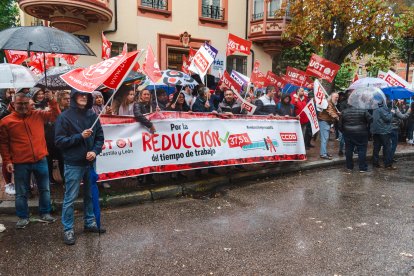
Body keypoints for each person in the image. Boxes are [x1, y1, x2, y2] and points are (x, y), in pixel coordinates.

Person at [0, 91, 60, 229]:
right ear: (13, 104)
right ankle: (23, 217)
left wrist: (52, 100)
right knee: (21, 192)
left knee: (44, 189)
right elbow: (3, 144)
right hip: (20, 163)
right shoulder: (5, 122)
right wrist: (7, 161)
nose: (23, 106)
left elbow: (56, 116)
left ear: (30, 103)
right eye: (19, 103)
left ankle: (45, 213)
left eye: (26, 103)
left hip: (40, 159)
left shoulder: (38, 115)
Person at [55, 90, 106, 245]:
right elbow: (59, 141)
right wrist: (80, 137)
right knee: (70, 197)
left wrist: (94, 151)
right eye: (80, 94)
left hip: (90, 163)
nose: (84, 97)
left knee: (90, 195)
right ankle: (68, 229)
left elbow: (100, 137)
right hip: (73, 164)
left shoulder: (93, 116)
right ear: (73, 97)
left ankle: (89, 222)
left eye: (86, 95)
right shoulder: (64, 117)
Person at [339, 104, 372, 172]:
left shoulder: (344, 112)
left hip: (348, 133)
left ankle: (349, 167)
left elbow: (340, 125)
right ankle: (362, 167)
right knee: (362, 150)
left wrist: (344, 131)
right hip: (361, 133)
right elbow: (371, 119)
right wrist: (366, 127)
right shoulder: (363, 111)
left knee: (348, 150)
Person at [370, 100, 395, 169]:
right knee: (387, 147)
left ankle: (375, 163)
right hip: (384, 131)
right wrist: (392, 113)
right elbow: (387, 118)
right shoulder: (382, 109)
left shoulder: (375, 109)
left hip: (375, 131)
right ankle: (388, 164)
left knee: (376, 147)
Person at [0, 89, 14, 195]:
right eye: (9, 92)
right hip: (3, 134)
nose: (11, 94)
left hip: (12, 133)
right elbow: (2, 117)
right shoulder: (2, 104)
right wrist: (9, 109)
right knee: (6, 159)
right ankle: (8, 184)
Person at [317, 92, 340, 160]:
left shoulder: (331, 103)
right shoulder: (328, 103)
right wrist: (337, 117)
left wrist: (338, 113)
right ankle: (323, 154)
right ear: (331, 97)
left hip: (326, 122)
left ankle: (324, 152)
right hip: (324, 122)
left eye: (337, 97)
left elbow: (332, 111)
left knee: (325, 139)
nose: (337, 99)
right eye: (336, 97)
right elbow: (330, 111)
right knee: (325, 138)